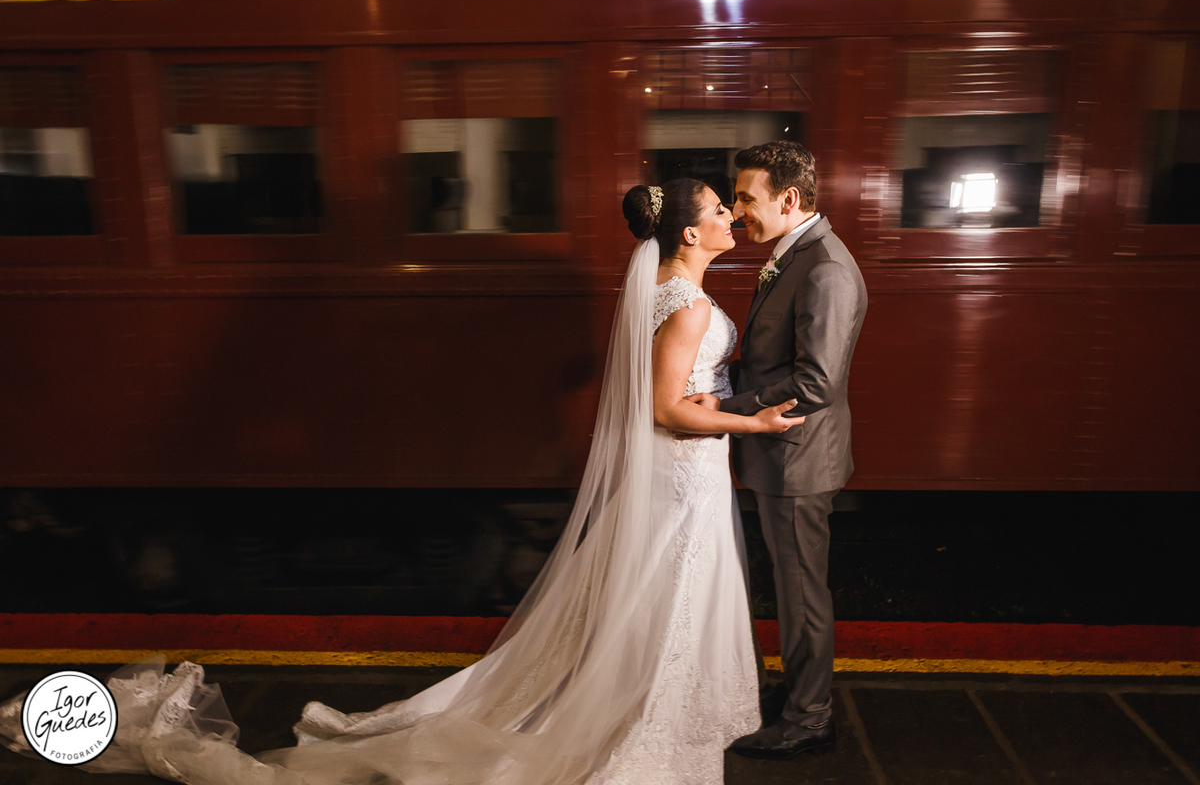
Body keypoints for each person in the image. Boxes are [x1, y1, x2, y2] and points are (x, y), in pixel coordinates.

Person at [0, 178, 804, 785]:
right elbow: (668, 409)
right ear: (690, 231)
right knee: (669, 593)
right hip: (684, 468)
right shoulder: (690, 306)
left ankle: (645, 706)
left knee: (654, 596)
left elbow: (660, 392)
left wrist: (713, 404)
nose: (732, 217)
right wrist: (752, 422)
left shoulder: (667, 293)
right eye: (719, 208)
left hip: (679, 472)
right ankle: (651, 726)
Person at [715, 141, 868, 760]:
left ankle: (810, 718)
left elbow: (817, 383)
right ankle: (801, 693)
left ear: (790, 199)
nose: (737, 209)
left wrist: (728, 409)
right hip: (785, 454)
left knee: (802, 591)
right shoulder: (795, 253)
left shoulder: (824, 267)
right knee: (792, 585)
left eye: (747, 199)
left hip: (798, 457)